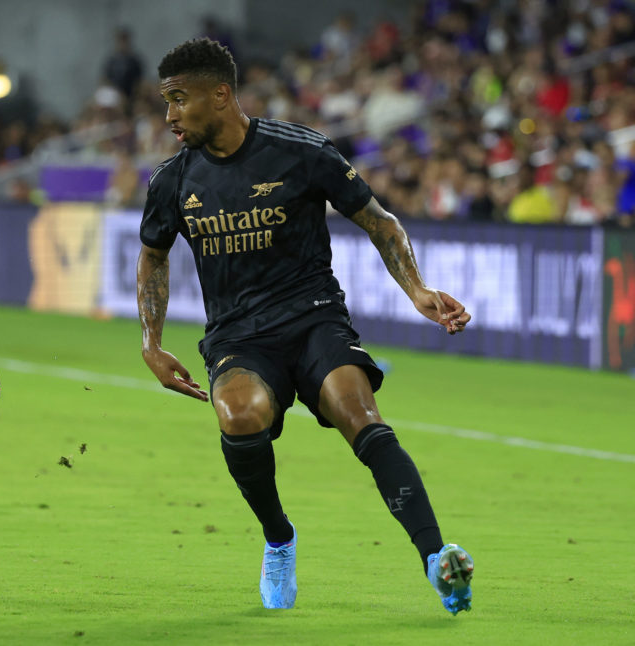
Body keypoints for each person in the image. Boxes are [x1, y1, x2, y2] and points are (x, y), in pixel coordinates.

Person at [136, 38, 475, 614]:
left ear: (220, 95)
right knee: (239, 415)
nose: (169, 116)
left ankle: (436, 558)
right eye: (165, 102)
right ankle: (278, 539)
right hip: (238, 336)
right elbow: (153, 257)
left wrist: (417, 288)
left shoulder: (302, 151)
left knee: (359, 412)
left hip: (314, 318)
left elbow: (380, 221)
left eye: (177, 100)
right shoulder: (172, 181)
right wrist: (152, 343)